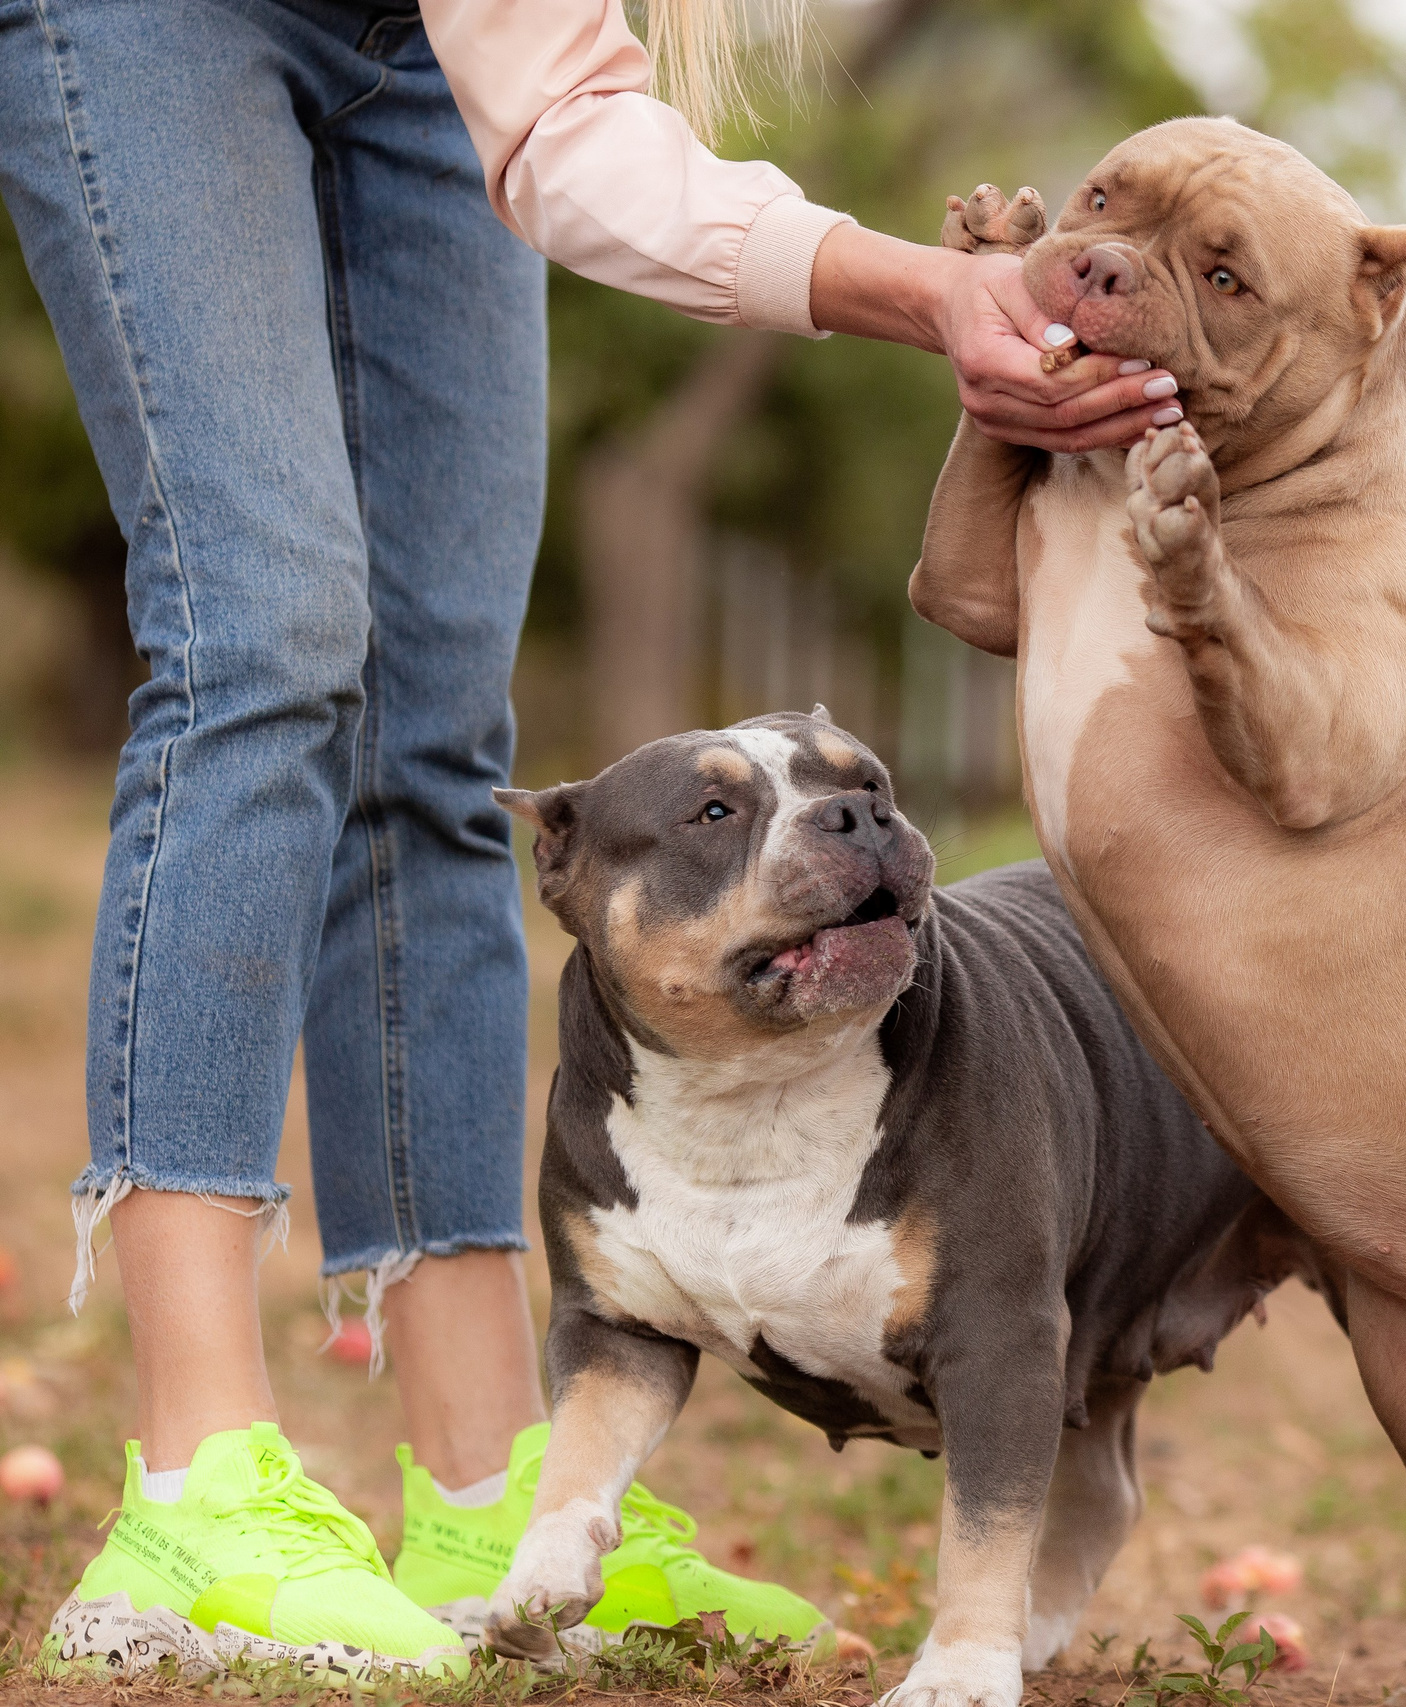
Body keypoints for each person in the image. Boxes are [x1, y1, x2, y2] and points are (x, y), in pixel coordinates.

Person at [0, 0, 1177, 1677]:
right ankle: (198, 1483)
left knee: (435, 732)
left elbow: (562, 115)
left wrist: (933, 294)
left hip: (432, 64)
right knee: (266, 645)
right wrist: (928, 291)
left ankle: (494, 1484)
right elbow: (579, 141)